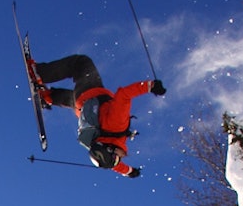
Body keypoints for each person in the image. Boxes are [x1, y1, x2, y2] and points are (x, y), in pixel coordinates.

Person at [28, 53, 166, 176]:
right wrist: (129, 171)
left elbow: (123, 95)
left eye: (118, 158)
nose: (121, 158)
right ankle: (48, 97)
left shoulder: (117, 125)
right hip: (81, 108)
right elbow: (111, 165)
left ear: (112, 150)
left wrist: (150, 86)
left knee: (81, 63)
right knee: (73, 100)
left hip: (90, 93)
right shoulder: (98, 143)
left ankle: (39, 73)